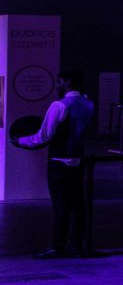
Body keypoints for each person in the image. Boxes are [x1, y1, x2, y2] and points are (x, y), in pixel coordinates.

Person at [12, 69, 97, 259]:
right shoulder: (88, 104)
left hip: (59, 162)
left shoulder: (59, 105)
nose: (57, 86)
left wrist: (20, 141)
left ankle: (58, 247)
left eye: (59, 82)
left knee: (61, 207)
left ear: (67, 82)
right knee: (78, 206)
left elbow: (44, 136)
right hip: (78, 160)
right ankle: (75, 245)